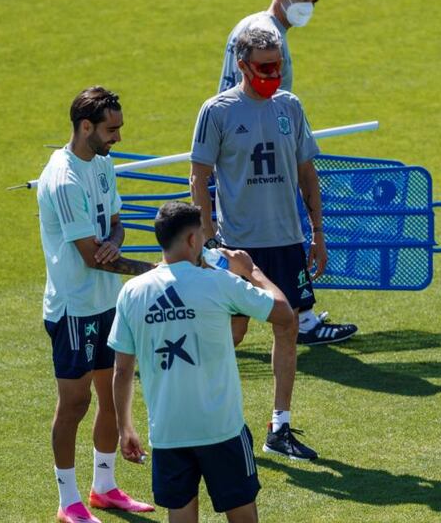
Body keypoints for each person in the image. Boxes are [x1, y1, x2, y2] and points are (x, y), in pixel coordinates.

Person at [110, 201, 300, 523]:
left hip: (168, 432)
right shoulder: (220, 283)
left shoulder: (132, 293)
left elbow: (123, 370)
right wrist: (252, 271)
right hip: (221, 429)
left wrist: (125, 427)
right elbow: (283, 314)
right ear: (191, 240)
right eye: (201, 233)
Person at [191, 26, 331, 460]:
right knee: (231, 332)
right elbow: (199, 176)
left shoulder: (290, 106)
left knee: (286, 325)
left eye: (278, 65)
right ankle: (199, 413)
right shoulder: (217, 111)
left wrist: (317, 233)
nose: (273, 73)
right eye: (265, 66)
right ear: (241, 65)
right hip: (241, 247)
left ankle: (279, 426)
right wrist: (209, 240)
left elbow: (307, 172)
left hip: (287, 242)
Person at [217, 0, 358, 341]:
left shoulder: (268, 30)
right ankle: (297, 320)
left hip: (263, 144)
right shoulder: (261, 33)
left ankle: (302, 316)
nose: (308, 6)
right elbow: (239, 98)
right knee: (267, 236)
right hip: (256, 155)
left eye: (314, 1)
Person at [36, 87, 157, 523]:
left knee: (111, 396)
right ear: (85, 127)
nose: (118, 138)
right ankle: (68, 502)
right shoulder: (63, 180)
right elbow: (89, 257)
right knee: (75, 404)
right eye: (111, 129)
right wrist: (157, 270)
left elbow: (117, 222)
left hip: (109, 301)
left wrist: (114, 242)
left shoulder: (103, 164)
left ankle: (103, 488)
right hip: (75, 308)